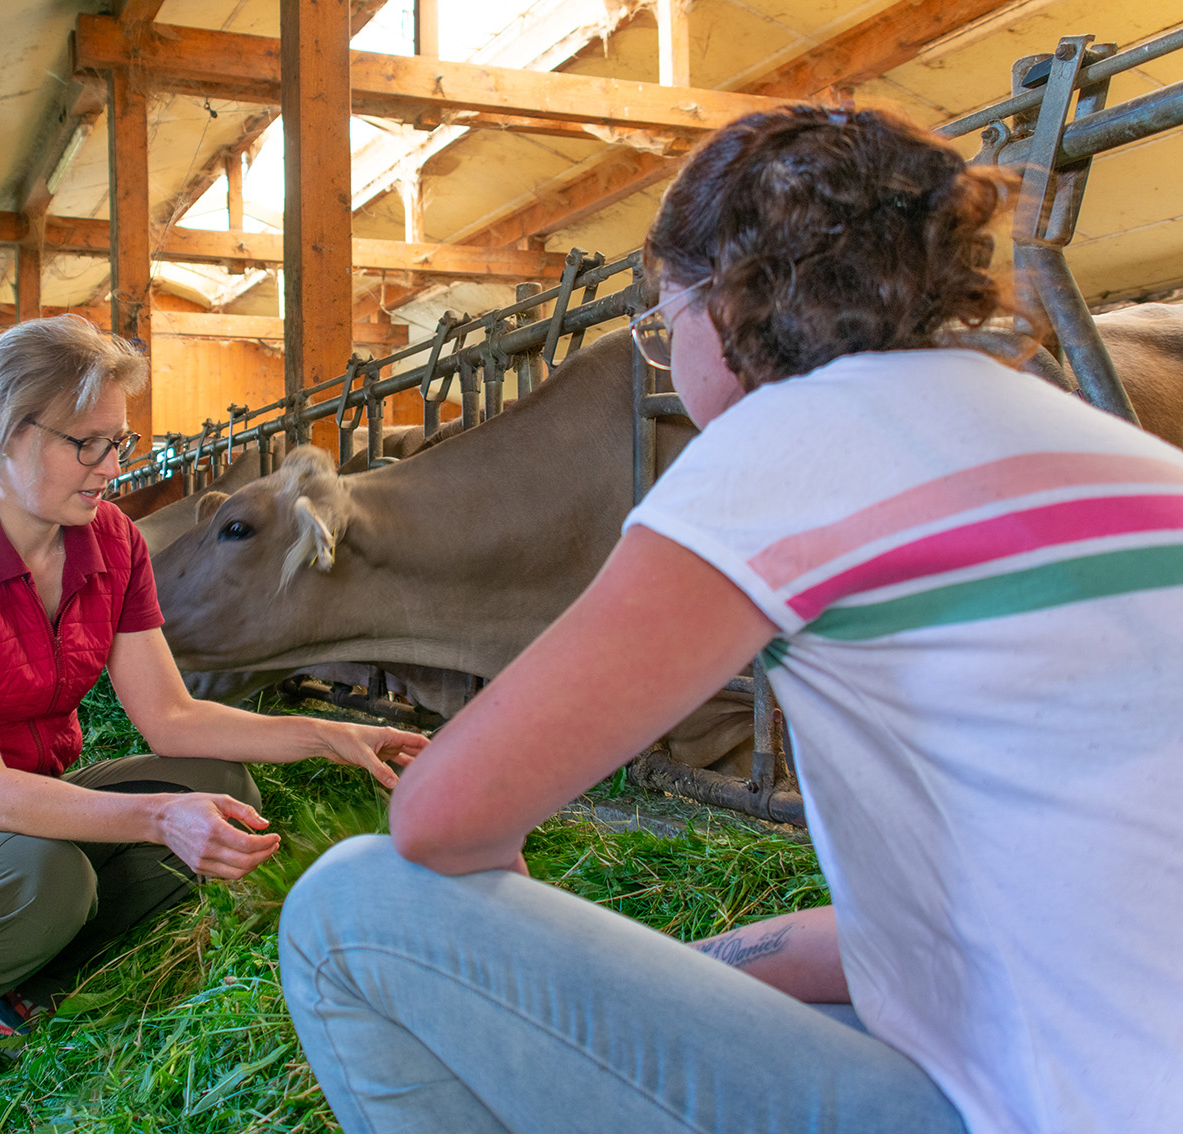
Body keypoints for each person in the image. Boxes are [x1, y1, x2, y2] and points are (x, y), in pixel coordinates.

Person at [279, 106, 1183, 1134]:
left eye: (665, 323)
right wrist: (685, 974)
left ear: (727, 302)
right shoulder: (1122, 454)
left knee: (351, 910)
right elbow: (934, 931)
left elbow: (438, 819)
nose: (668, 352)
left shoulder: (786, 439)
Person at [0, 315, 426, 1112]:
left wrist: (332, 734)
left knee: (218, 786)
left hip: (12, 815)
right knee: (46, 872)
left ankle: (18, 986)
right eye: (82, 444)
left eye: (117, 444)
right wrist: (162, 820)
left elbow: (171, 720)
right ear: (4, 434)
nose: (107, 470)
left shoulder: (111, 542)